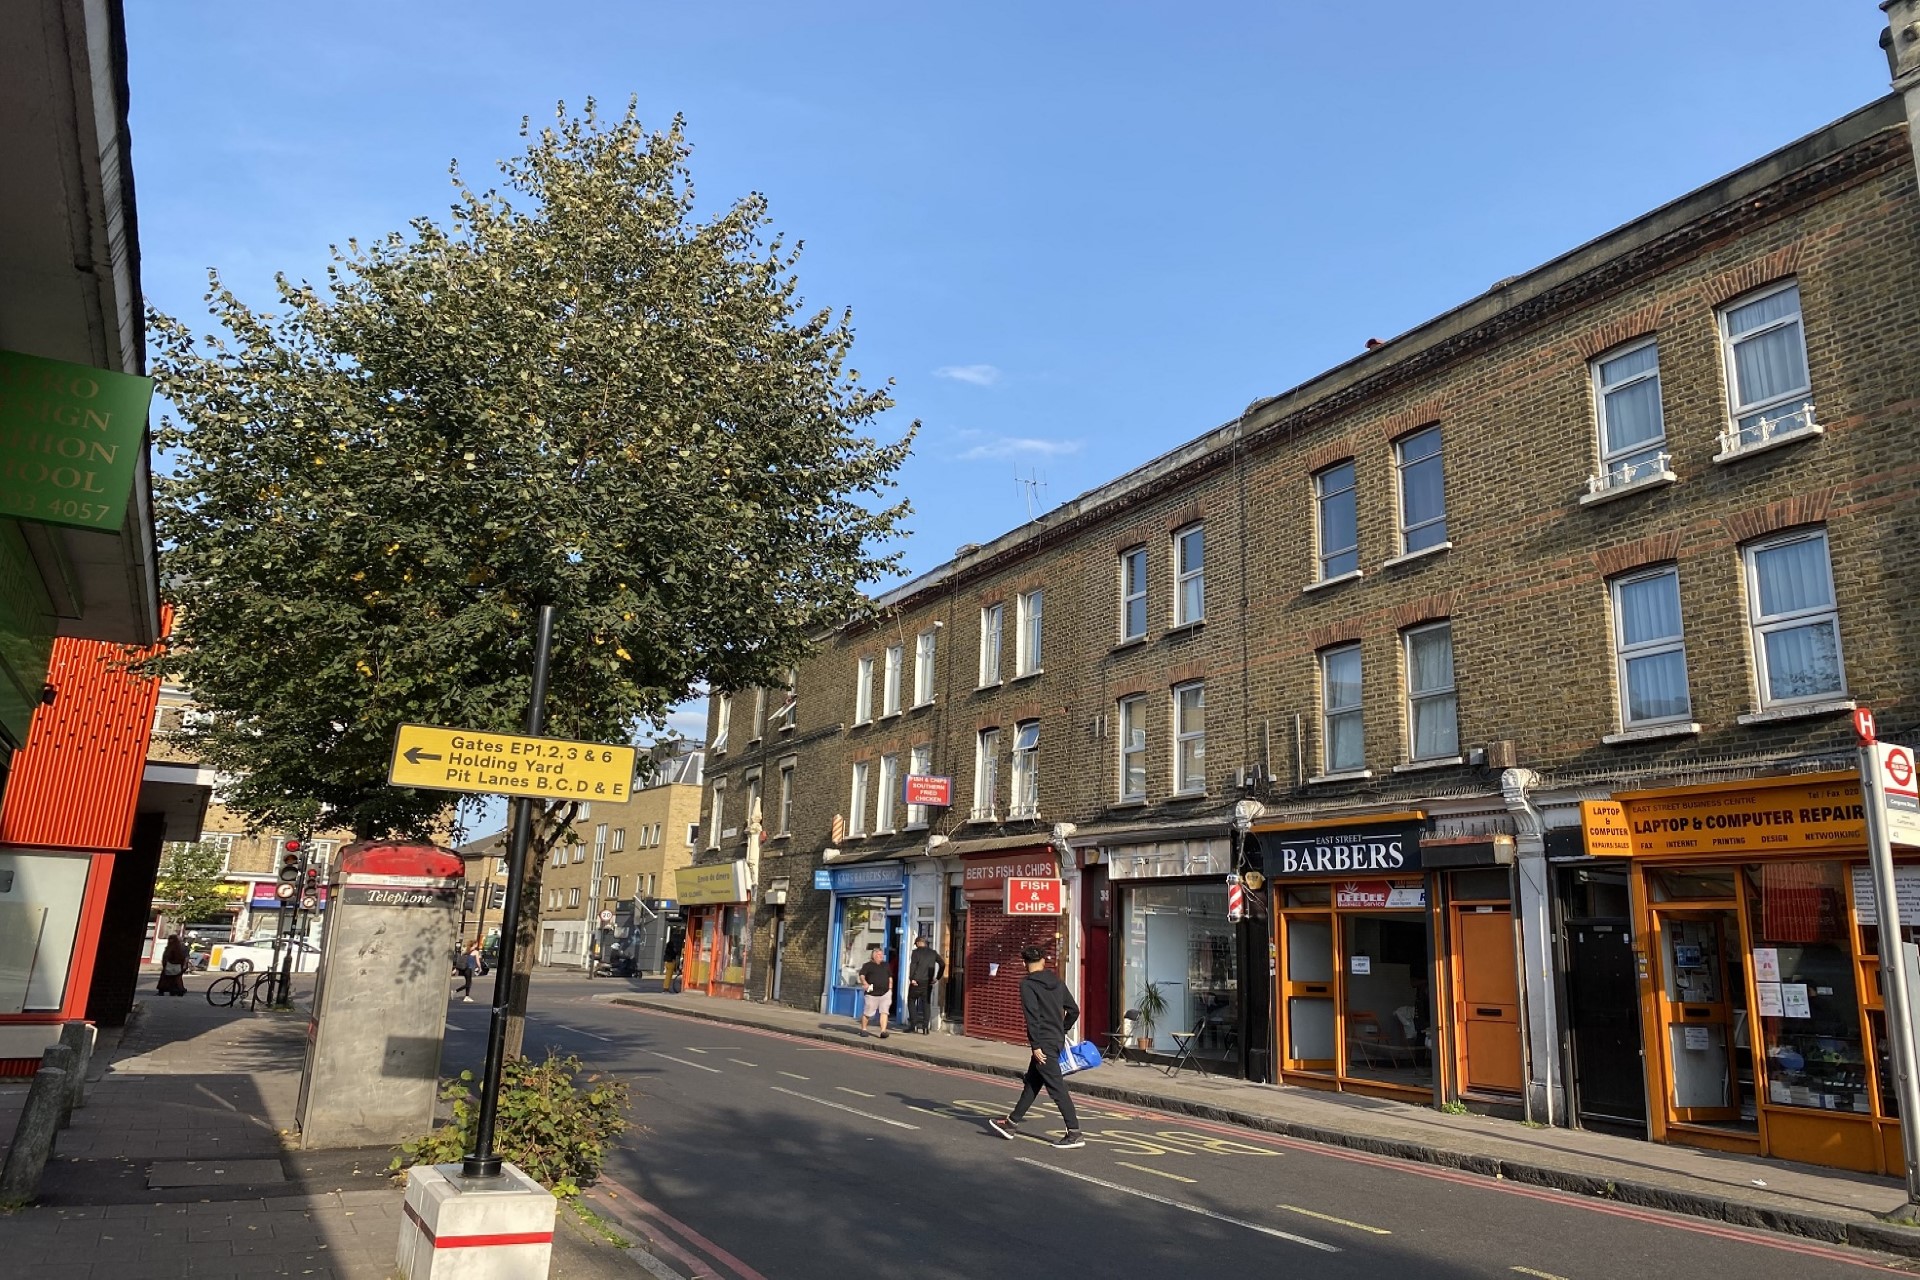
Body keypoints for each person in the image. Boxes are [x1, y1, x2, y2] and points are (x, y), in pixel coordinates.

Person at [989, 945, 1083, 1149]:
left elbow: (1032, 1017)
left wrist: (1036, 1045)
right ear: (1043, 961)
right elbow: (1074, 1010)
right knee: (1032, 1082)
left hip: (1043, 1043)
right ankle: (1011, 1124)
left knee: (1057, 1088)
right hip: (1054, 1039)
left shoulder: (1027, 985)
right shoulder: (1056, 981)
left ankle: (1074, 1133)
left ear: (1024, 964)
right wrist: (1062, 1029)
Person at [907, 935, 944, 1034]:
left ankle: (913, 1025)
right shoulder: (933, 953)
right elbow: (942, 964)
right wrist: (937, 977)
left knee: (911, 1000)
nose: (915, 946)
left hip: (917, 981)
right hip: (928, 982)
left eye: (916, 944)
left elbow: (913, 965)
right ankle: (925, 1028)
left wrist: (912, 978)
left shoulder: (916, 952)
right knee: (926, 1004)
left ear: (919, 943)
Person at [857, 943, 893, 1038]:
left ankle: (883, 1031)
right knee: (868, 1012)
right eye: (879, 955)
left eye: (881, 955)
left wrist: (890, 987)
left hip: (885, 993)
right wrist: (865, 983)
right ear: (874, 956)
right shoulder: (867, 965)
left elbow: (890, 976)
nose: (881, 956)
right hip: (872, 993)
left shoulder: (885, 965)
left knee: (884, 1012)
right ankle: (864, 1029)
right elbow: (862, 975)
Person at [157, 929, 189, 997]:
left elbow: (168, 957)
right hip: (176, 966)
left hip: (171, 966)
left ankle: (174, 990)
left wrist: (166, 963)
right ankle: (176, 990)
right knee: (176, 979)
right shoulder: (179, 947)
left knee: (168, 979)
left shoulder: (172, 948)